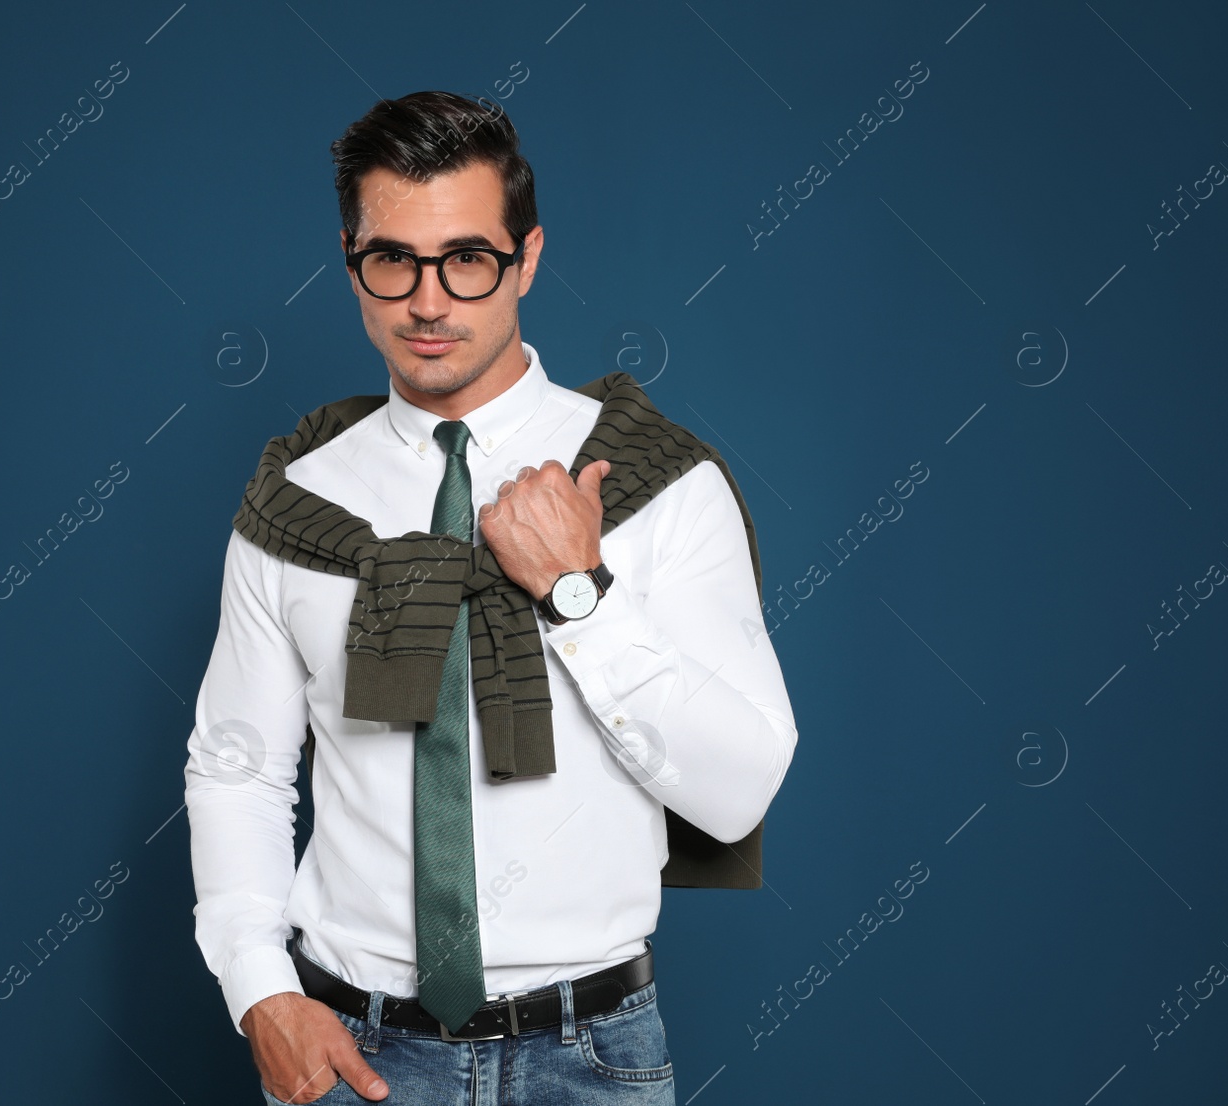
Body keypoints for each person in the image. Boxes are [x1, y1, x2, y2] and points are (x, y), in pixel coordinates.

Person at [185, 90, 798, 1105]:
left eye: (467, 258)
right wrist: (259, 990)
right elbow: (238, 768)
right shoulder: (298, 502)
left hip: (590, 1054)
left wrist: (574, 588)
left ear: (527, 256)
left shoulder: (657, 483)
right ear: (351, 260)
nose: (429, 301)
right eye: (394, 260)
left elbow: (737, 789)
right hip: (351, 1051)